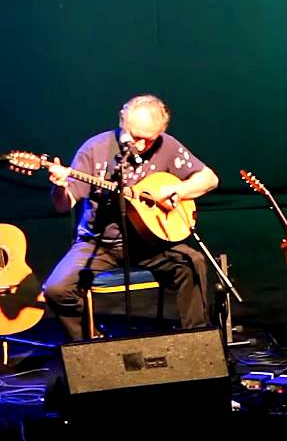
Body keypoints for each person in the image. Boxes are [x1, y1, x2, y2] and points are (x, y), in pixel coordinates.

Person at [42, 95, 219, 341]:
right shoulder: (95, 149)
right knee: (56, 289)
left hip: (150, 244)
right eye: (135, 136)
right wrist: (60, 187)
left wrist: (176, 191)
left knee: (192, 263)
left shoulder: (166, 145)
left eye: (150, 138)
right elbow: (64, 204)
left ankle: (196, 341)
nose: (141, 144)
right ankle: (88, 343)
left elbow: (209, 178)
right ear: (122, 121)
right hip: (99, 243)